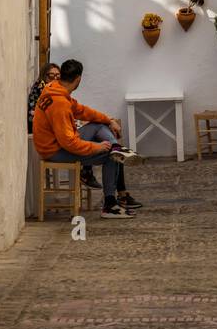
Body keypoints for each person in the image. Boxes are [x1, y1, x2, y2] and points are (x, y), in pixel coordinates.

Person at [33, 59, 138, 219]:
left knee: (99, 124)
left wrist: (108, 120)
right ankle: (110, 206)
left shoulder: (54, 89)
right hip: (55, 150)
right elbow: (69, 143)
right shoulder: (60, 103)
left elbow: (81, 110)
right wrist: (97, 147)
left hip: (59, 143)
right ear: (78, 79)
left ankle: (115, 147)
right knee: (112, 157)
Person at [27, 61, 60, 133]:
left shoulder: (55, 89)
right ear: (44, 75)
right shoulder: (41, 87)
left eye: (58, 76)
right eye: (51, 75)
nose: (55, 78)